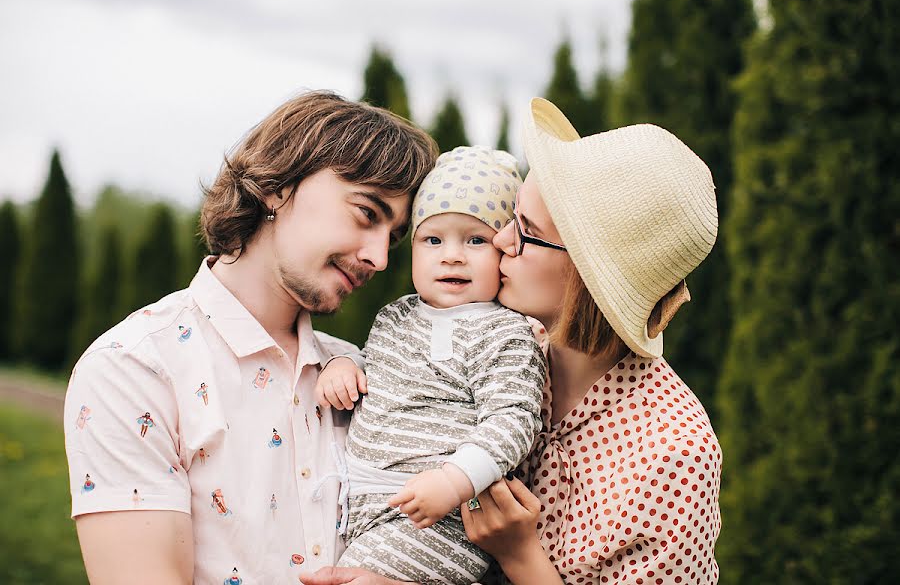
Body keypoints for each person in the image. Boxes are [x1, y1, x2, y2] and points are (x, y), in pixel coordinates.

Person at [62, 90, 438, 584]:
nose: (380, 257)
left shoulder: (364, 373)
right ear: (278, 187)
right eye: (367, 213)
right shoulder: (133, 368)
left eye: (392, 236)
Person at [456, 98, 723, 584]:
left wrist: (520, 555)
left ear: (587, 275)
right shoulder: (502, 348)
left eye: (527, 232)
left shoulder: (673, 453)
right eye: (513, 218)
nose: (500, 242)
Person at [315, 146, 546, 585]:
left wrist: (455, 481)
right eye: (433, 239)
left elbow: (514, 420)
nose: (452, 255)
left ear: (504, 250)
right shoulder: (396, 316)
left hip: (439, 522)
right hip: (363, 507)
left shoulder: (505, 331)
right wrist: (344, 365)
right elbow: (378, 372)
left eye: (476, 240)